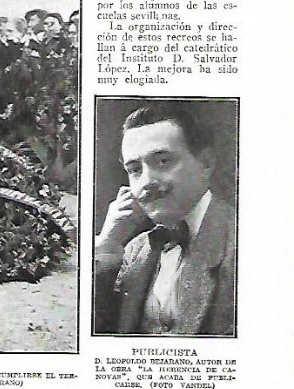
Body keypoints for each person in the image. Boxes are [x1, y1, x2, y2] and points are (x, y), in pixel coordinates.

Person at [94, 102, 236, 335]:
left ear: (206, 164)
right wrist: (107, 246)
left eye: (163, 161)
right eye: (135, 169)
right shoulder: (135, 250)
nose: (147, 182)